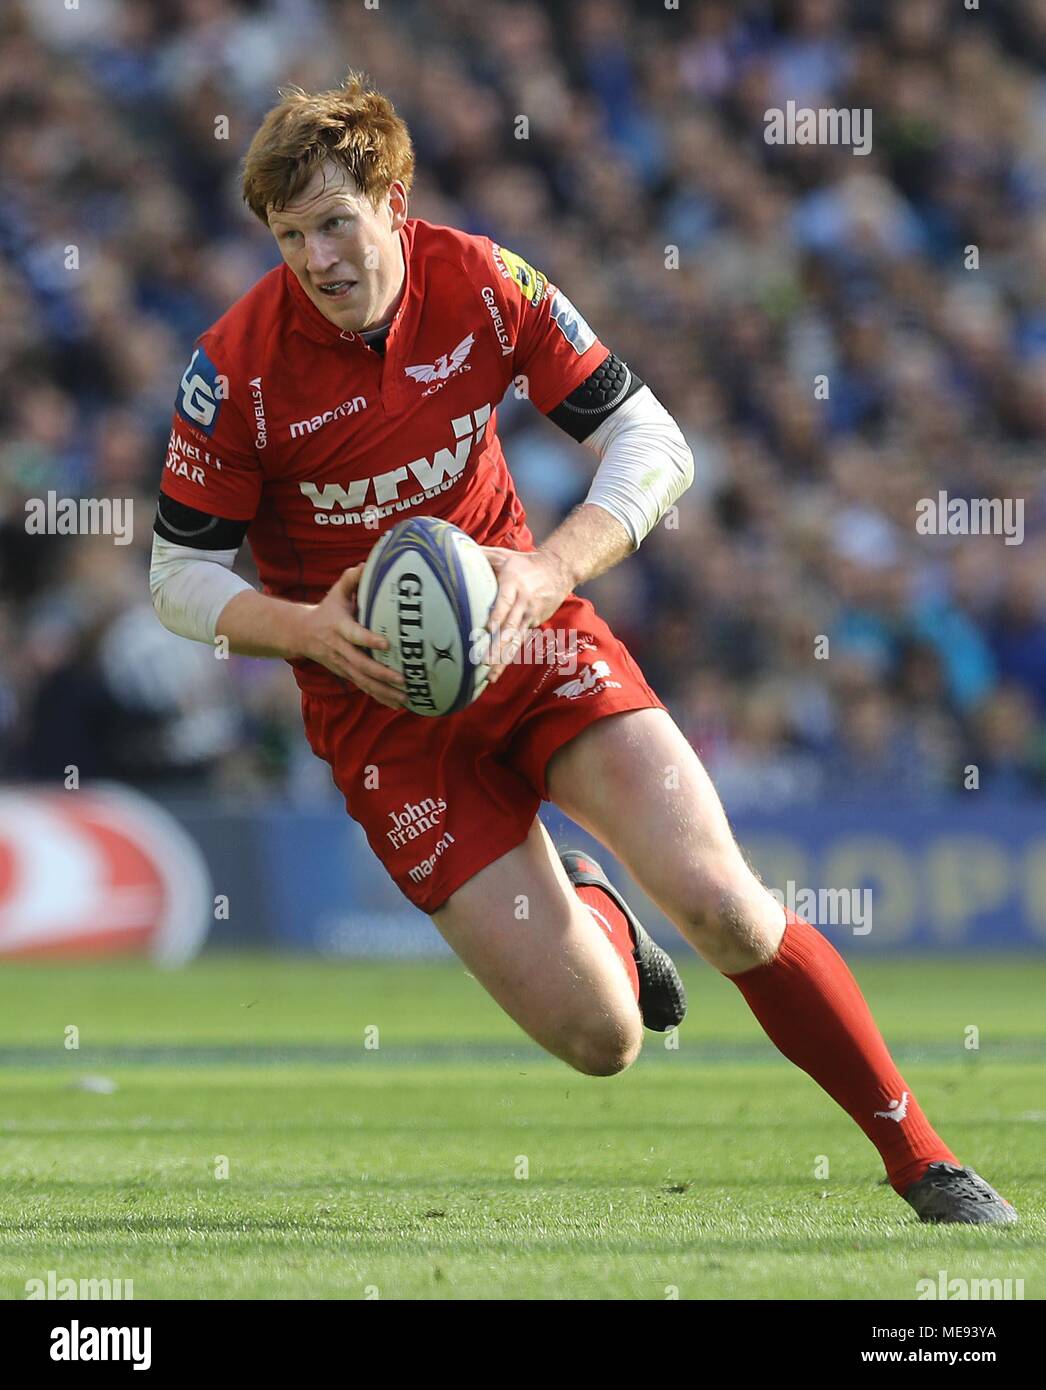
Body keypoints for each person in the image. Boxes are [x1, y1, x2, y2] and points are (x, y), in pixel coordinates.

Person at [151, 72, 1014, 1225]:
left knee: (721, 904)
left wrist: (549, 568)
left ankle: (923, 1159)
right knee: (602, 1040)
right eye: (290, 234)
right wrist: (304, 628)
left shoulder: (484, 282)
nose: (316, 258)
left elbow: (650, 438)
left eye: (335, 224)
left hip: (535, 636)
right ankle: (597, 905)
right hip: (378, 716)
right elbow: (176, 575)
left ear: (392, 202)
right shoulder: (236, 368)